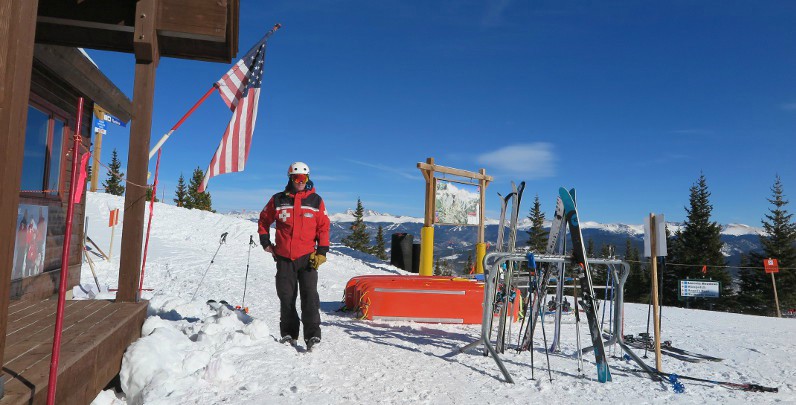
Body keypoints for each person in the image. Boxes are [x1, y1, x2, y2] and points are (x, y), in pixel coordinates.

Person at [258, 162, 330, 350]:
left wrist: (322, 251)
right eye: (296, 178)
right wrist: (265, 242)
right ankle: (289, 334)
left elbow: (323, 227)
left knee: (309, 297)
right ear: (290, 178)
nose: (300, 182)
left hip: (308, 258)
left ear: (308, 178)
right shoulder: (278, 199)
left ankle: (313, 336)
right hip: (284, 258)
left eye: (303, 178)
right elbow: (264, 219)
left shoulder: (316, 200)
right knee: (286, 296)